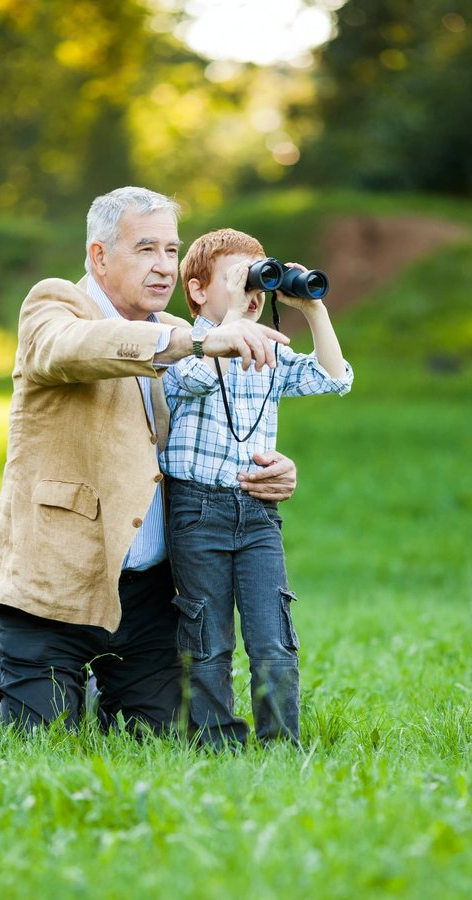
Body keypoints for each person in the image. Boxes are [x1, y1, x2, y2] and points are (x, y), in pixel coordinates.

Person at [0, 188, 299, 735]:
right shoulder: (56, 305)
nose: (164, 267)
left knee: (168, 738)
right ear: (100, 255)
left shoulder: (182, 336)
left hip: (147, 600)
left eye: (172, 251)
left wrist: (272, 469)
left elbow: (213, 434)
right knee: (41, 738)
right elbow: (68, 348)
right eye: (146, 249)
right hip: (51, 592)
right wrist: (188, 341)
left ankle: (96, 694)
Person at [159, 228, 354, 748]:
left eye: (259, 279)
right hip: (197, 511)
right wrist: (224, 328)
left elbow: (333, 379)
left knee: (274, 636)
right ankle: (214, 740)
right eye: (237, 279)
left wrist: (312, 309)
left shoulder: (268, 348)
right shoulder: (184, 345)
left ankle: (279, 742)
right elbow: (191, 382)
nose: (252, 291)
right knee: (208, 636)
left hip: (258, 513)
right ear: (198, 290)